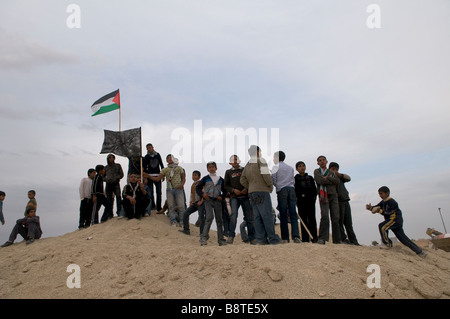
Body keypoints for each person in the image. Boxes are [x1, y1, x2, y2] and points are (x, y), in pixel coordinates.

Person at [366, 186, 426, 257]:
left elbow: (388, 212)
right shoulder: (383, 202)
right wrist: (370, 208)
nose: (380, 196)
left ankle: (387, 244)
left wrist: (379, 210)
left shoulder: (392, 202)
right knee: (403, 239)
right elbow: (376, 207)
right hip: (392, 221)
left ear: (387, 193)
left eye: (381, 194)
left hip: (395, 220)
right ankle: (419, 252)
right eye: (379, 194)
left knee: (382, 226)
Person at [240, 145, 281, 245]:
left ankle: (261, 239)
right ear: (258, 151)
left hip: (252, 192)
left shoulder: (247, 165)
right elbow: (266, 175)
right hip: (262, 190)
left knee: (257, 217)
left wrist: (250, 187)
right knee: (267, 215)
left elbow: (242, 180)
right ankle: (273, 239)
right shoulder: (260, 160)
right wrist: (270, 185)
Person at [224, 155, 255, 244]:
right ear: (230, 162)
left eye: (236, 159)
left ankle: (252, 237)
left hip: (245, 197)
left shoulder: (244, 169)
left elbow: (250, 181)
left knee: (249, 217)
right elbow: (226, 185)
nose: (235, 161)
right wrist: (233, 190)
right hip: (234, 198)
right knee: (233, 216)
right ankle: (231, 236)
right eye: (233, 160)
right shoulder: (228, 172)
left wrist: (246, 188)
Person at [147, 154, 185, 226]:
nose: (170, 159)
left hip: (178, 189)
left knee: (181, 206)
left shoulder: (179, 168)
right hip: (169, 189)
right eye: (168, 158)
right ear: (166, 160)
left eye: (171, 158)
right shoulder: (164, 170)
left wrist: (182, 185)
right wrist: (148, 176)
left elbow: (183, 178)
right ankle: (173, 221)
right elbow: (157, 179)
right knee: (171, 206)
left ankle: (182, 222)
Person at [272, 151, 300, 243]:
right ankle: (296, 237)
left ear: (277, 157)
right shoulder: (290, 168)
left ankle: (285, 238)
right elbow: (293, 180)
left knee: (283, 214)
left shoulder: (275, 167)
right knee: (293, 214)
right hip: (291, 190)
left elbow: (274, 180)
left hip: (282, 190)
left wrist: (279, 186)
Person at [196, 161, 227, 246]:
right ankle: (203, 238)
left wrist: (222, 196)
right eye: (209, 167)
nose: (211, 168)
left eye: (213, 167)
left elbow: (225, 190)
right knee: (209, 217)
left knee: (219, 220)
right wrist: (202, 194)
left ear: (216, 168)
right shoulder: (205, 178)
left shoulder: (220, 179)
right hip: (208, 200)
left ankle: (221, 239)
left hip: (217, 200)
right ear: (207, 169)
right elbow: (198, 187)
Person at [329, 162, 359, 245]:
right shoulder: (329, 177)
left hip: (345, 200)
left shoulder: (340, 177)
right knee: (340, 222)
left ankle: (353, 240)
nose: (334, 171)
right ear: (329, 169)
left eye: (336, 169)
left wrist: (339, 175)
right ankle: (343, 239)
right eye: (333, 169)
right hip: (337, 201)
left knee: (348, 222)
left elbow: (348, 178)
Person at [314, 155, 341, 244]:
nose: (322, 161)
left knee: (335, 217)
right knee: (325, 216)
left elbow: (337, 182)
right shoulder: (317, 171)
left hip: (333, 195)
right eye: (320, 160)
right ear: (318, 163)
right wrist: (330, 181)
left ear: (326, 161)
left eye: (323, 160)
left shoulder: (331, 172)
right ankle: (322, 238)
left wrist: (328, 178)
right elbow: (319, 180)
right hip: (323, 196)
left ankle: (337, 239)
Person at [179, 170, 205, 235]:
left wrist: (201, 201)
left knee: (201, 217)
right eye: (193, 175)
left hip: (200, 203)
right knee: (185, 213)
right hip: (194, 203)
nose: (194, 176)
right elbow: (191, 194)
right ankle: (186, 230)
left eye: (195, 175)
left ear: (199, 176)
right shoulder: (193, 184)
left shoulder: (201, 184)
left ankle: (202, 233)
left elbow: (204, 193)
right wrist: (191, 201)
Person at [143, 143, 165, 211]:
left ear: (153, 147)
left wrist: (163, 174)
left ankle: (158, 207)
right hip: (149, 176)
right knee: (150, 192)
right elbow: (144, 167)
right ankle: (152, 206)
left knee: (159, 192)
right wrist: (146, 178)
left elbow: (161, 164)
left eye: (150, 147)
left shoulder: (157, 155)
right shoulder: (146, 157)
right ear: (147, 149)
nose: (149, 149)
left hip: (158, 176)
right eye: (148, 148)